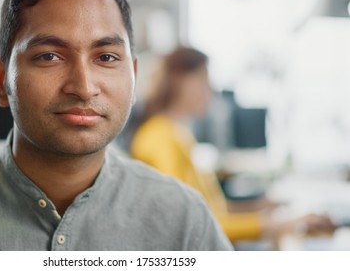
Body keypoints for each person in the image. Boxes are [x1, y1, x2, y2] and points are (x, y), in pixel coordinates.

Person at [0, 0, 232, 250]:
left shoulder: (183, 221)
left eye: (107, 57)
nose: (83, 87)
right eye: (49, 56)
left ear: (134, 77)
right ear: (0, 80)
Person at [130, 47, 335, 243]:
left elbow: (210, 210)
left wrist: (259, 206)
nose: (210, 90)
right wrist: (283, 223)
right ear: (182, 81)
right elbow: (192, 223)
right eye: (204, 80)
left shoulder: (174, 133)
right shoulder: (161, 139)